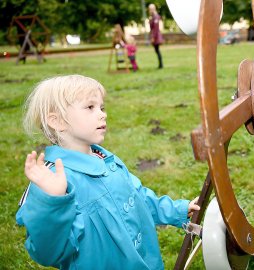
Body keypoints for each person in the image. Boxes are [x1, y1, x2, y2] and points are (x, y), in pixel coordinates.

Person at [16, 75, 200, 269]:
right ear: (57, 121)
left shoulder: (106, 159)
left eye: (102, 107)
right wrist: (53, 202)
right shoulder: (53, 183)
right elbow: (48, 253)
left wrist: (177, 210)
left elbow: (137, 197)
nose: (103, 114)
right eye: (90, 107)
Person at [148, 3, 164, 69]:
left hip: (156, 36)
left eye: (151, 9)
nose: (150, 10)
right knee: (157, 50)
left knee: (157, 50)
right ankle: (160, 65)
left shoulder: (156, 17)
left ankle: (161, 65)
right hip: (154, 36)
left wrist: (153, 37)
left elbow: (155, 29)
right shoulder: (153, 17)